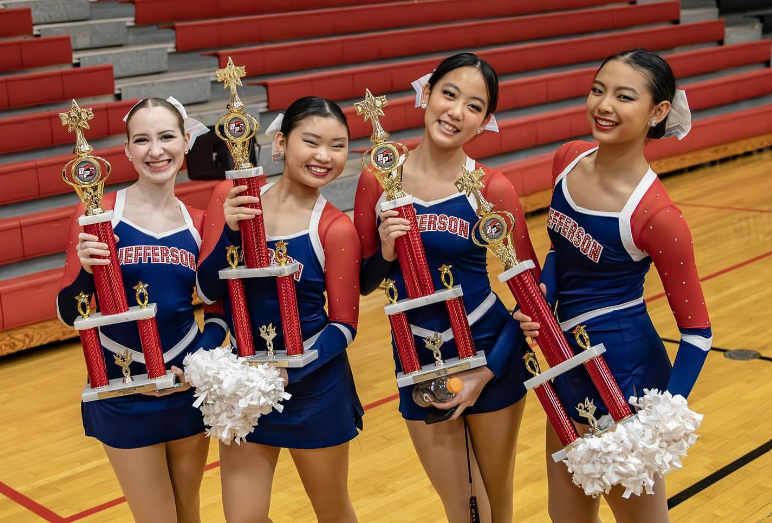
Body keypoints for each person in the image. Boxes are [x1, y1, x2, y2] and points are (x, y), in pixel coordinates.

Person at [515, 48, 712, 523]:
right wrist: (542, 294)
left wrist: (661, 417)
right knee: (566, 516)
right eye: (598, 90)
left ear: (657, 112)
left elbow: (698, 333)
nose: (604, 106)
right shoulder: (567, 159)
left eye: (624, 96)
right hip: (565, 369)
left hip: (624, 382)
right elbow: (562, 254)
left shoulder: (658, 216)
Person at [353, 52, 540, 523]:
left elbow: (532, 294)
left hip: (489, 354)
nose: (456, 111)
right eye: (449, 94)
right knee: (459, 507)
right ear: (426, 95)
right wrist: (385, 252)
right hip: (418, 360)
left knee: (496, 505)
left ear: (486, 121)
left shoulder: (491, 187)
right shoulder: (378, 176)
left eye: (474, 106)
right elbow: (362, 282)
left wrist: (487, 372)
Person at [57, 97, 228, 523]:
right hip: (124, 391)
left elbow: (219, 311)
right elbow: (66, 312)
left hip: (185, 387)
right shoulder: (98, 214)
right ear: (127, 151)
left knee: (189, 513)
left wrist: (196, 361)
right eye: (143, 140)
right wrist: (83, 270)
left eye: (167, 137)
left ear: (187, 141)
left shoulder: (200, 219)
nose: (157, 150)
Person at [196, 96, 363, 523]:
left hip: (315, 390)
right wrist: (230, 234)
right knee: (243, 519)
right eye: (311, 141)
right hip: (244, 387)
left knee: (332, 510)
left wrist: (290, 369)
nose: (324, 156)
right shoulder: (228, 197)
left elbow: (343, 326)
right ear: (281, 143)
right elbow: (209, 290)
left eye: (338, 145)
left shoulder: (336, 228)